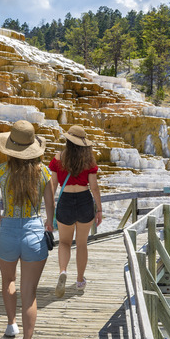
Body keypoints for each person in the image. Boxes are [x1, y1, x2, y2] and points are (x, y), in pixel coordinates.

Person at [0, 120, 55, 339]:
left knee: (8, 281)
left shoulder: (1, 171)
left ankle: (11, 324)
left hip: (8, 231)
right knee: (30, 292)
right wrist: (49, 225)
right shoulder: (44, 172)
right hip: (34, 230)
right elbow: (50, 205)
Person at [48, 125, 103, 298]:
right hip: (84, 200)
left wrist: (50, 211)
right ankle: (80, 280)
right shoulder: (89, 161)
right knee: (81, 243)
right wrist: (99, 209)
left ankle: (63, 271)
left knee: (64, 242)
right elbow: (94, 187)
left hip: (65, 200)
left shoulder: (58, 158)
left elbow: (52, 185)